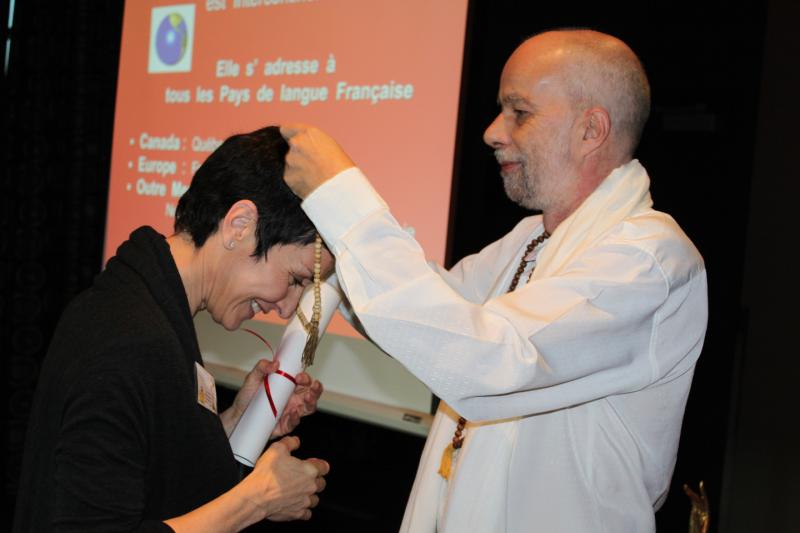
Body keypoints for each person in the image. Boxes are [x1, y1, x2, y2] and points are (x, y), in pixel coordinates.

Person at [280, 29, 708, 532]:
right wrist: (337, 256)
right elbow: (437, 319)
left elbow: (494, 359)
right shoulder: (531, 237)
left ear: (591, 130)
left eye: (519, 112)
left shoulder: (649, 258)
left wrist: (345, 198)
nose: (491, 132)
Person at [13, 126, 334, 532]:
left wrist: (238, 419)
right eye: (294, 279)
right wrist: (256, 499)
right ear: (240, 225)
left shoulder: (148, 307)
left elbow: (148, 469)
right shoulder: (128, 339)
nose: (287, 307)